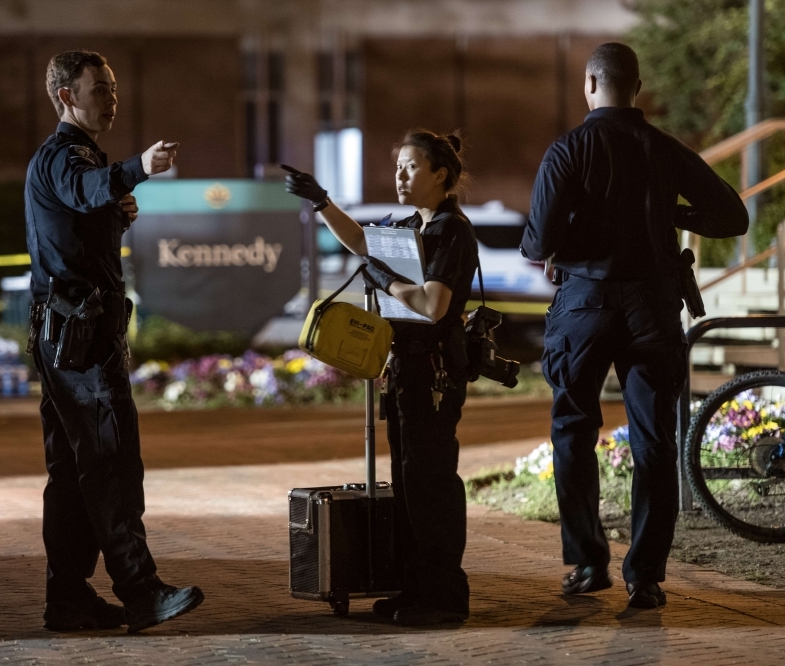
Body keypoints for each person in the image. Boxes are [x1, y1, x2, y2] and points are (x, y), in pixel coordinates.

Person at [520, 42, 748, 608]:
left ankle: (588, 561)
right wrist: (669, 213)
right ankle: (644, 575)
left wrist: (566, 241)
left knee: (573, 429)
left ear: (590, 85)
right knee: (653, 441)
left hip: (584, 306)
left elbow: (536, 243)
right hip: (651, 308)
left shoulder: (568, 149)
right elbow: (732, 216)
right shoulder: (664, 149)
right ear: (637, 88)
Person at [26, 50, 204, 633]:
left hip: (67, 340)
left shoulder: (71, 159)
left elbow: (77, 221)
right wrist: (138, 170)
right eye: (98, 88)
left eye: (112, 87)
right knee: (111, 465)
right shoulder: (65, 156)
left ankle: (69, 599)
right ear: (65, 98)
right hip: (80, 342)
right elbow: (83, 189)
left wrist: (115, 215)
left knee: (75, 475)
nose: (110, 97)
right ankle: (141, 589)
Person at [282, 130, 479, 626]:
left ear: (442, 175)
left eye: (412, 168)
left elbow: (434, 306)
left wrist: (385, 280)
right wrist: (322, 201)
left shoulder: (451, 232)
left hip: (433, 371)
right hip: (406, 369)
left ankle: (444, 597)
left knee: (431, 484)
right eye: (398, 167)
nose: (401, 176)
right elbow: (361, 243)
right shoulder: (411, 225)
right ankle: (414, 591)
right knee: (409, 483)